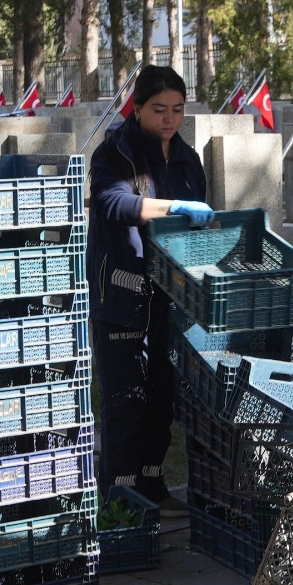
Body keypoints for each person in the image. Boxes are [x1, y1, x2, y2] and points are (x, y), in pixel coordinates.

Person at [88, 65, 213, 503]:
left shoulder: (187, 158)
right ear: (137, 108)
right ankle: (120, 498)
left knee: (162, 396)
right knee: (125, 399)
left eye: (178, 110)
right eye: (159, 109)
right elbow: (113, 202)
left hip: (171, 294)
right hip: (121, 292)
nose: (169, 119)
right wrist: (174, 206)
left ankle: (152, 483)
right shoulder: (114, 155)